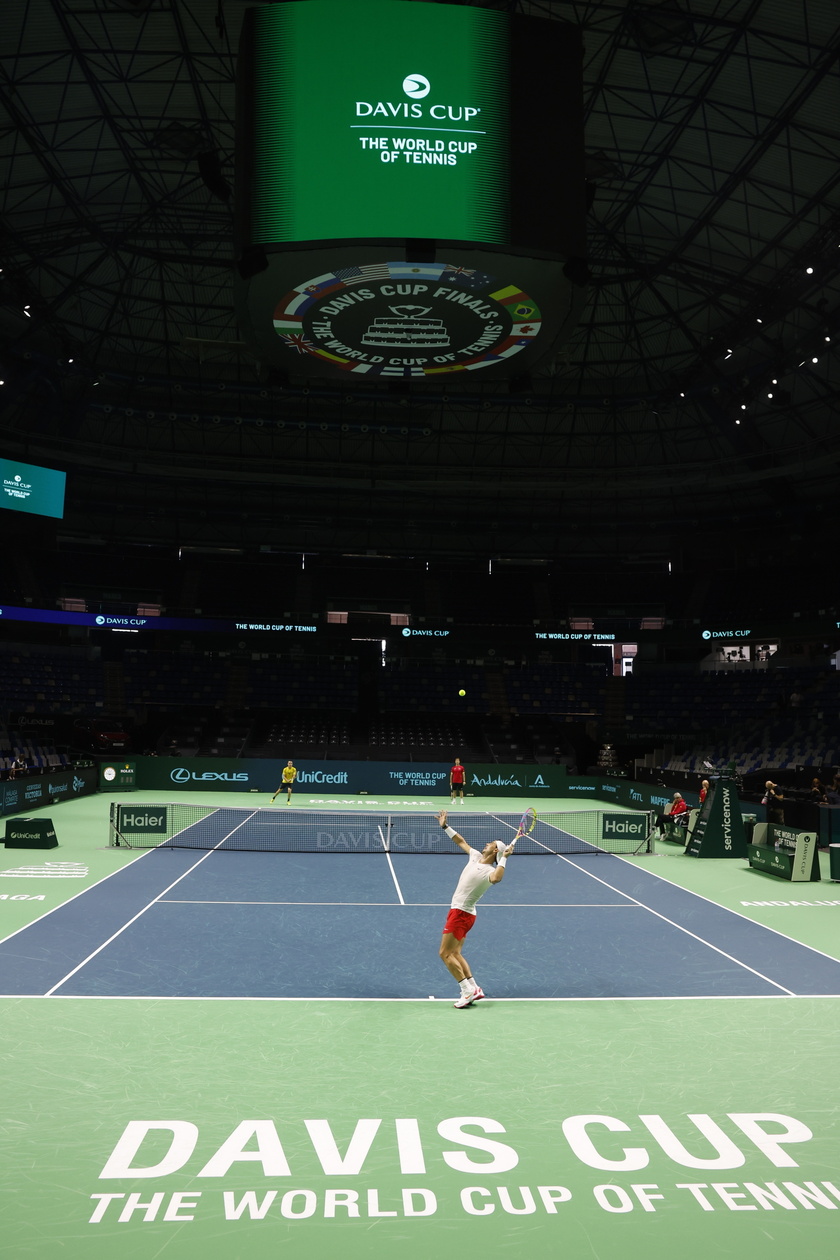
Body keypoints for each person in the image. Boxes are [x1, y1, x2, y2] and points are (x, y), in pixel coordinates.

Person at [437, 808, 514, 1008]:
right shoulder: (475, 856)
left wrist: (505, 858)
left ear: (495, 851)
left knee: (445, 954)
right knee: (455, 953)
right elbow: (461, 842)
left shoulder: (490, 870)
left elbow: (497, 878)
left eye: (491, 843)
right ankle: (474, 987)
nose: (487, 843)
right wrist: (445, 827)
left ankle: (466, 991)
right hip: (463, 913)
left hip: (461, 913)